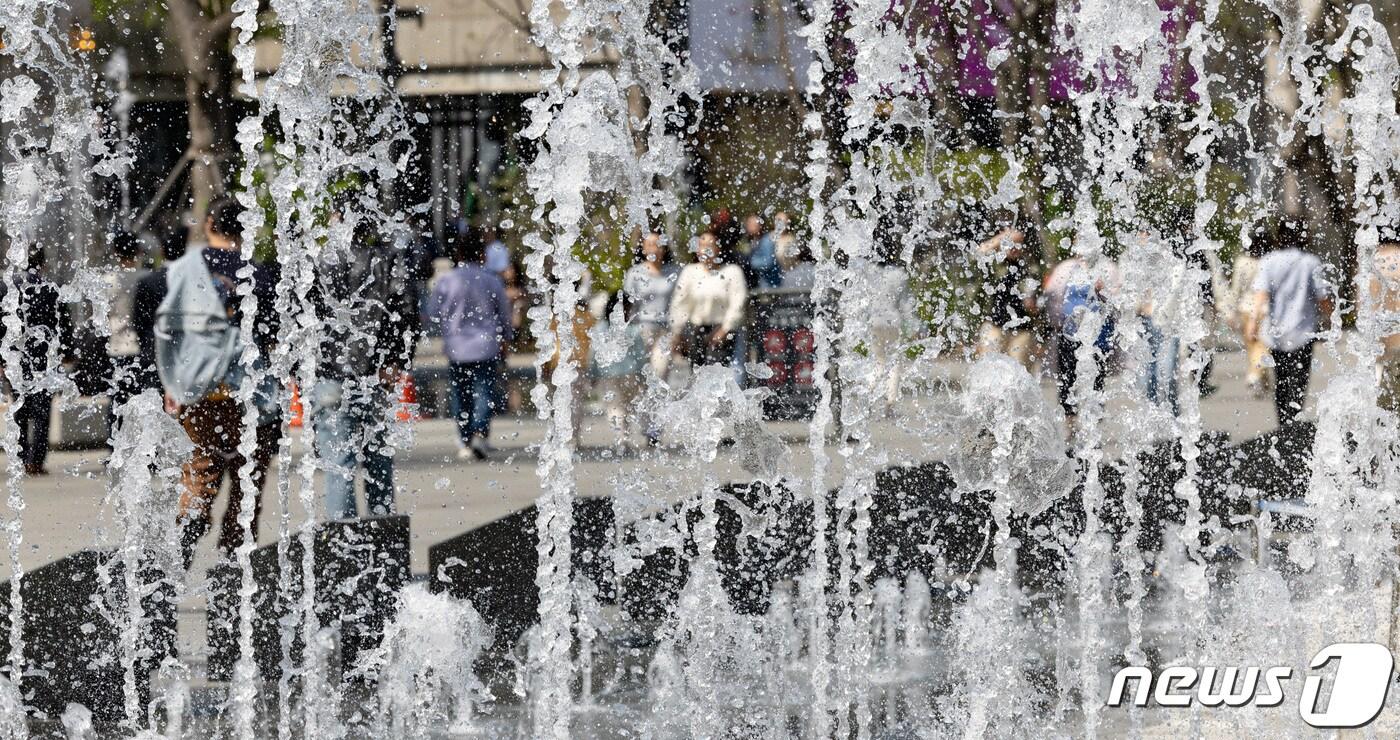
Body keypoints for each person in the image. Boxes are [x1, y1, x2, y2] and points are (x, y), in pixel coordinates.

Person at [155, 198, 282, 568]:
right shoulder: (262, 275)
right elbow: (275, 337)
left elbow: (169, 332)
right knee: (248, 479)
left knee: (199, 467)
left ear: (210, 223)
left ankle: (189, 525)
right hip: (251, 395)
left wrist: (171, 383)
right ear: (245, 228)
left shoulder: (182, 270)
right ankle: (233, 568)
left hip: (199, 391)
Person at [309, 214, 421, 520]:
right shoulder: (386, 263)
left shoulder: (319, 264)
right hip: (377, 376)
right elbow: (407, 312)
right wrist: (397, 361)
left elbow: (301, 320)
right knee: (380, 466)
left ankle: (343, 551)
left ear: (337, 221)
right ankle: (386, 543)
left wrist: (301, 369)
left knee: (338, 467)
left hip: (329, 376)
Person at [427, 235, 513, 460]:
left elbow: (433, 312)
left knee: (460, 394)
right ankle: (479, 433)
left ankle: (465, 438)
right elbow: (503, 312)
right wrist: (506, 337)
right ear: (482, 255)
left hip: (457, 346)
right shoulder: (491, 280)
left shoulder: (447, 280)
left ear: (458, 255)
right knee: (484, 390)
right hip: (486, 344)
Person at [1245, 221, 1333, 426]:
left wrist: (1252, 323)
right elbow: (1323, 297)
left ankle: (1283, 424)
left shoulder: (1269, 261)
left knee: (1281, 381)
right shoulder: (1311, 262)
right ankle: (1294, 421)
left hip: (1276, 334)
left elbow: (1260, 296)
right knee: (1299, 382)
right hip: (1303, 333)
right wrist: (1331, 318)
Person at [0, 248, 72, 476]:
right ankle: (36, 462)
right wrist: (67, 351)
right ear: (44, 263)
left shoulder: (8, 288)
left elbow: (2, 324)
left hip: (16, 356)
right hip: (45, 356)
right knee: (42, 409)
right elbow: (64, 324)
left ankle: (21, 458)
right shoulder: (52, 288)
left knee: (20, 406)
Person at [619, 233, 680, 445]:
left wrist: (679, 334)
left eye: (658, 244)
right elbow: (627, 306)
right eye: (649, 244)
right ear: (643, 249)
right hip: (640, 331)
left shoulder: (674, 272)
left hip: (665, 331)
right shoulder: (634, 274)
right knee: (640, 381)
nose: (654, 248)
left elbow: (679, 303)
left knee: (659, 375)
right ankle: (642, 425)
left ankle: (654, 430)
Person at [669, 231, 748, 369]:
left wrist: (725, 329)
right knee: (696, 373)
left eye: (710, 245)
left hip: (722, 329)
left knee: (719, 372)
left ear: (718, 248)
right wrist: (677, 332)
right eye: (701, 245)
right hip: (696, 330)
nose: (706, 249)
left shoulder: (732, 271)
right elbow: (680, 303)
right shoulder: (690, 272)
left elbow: (738, 303)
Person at [132, 222, 187, 396]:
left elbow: (138, 320)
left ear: (162, 251)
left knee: (153, 399)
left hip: (153, 347)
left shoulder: (148, 281)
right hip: (185, 349)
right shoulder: (191, 280)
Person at [975, 227, 1037, 370]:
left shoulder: (1030, 267)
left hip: (1022, 330)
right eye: (1010, 243)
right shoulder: (994, 263)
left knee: (1019, 370)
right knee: (988, 367)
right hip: (994, 325)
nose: (1014, 248)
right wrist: (1001, 237)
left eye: (1018, 244)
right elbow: (979, 252)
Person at [104, 231, 148, 421]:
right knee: (142, 398)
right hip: (143, 346)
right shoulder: (147, 278)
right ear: (138, 251)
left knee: (116, 399)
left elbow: (101, 314)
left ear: (115, 252)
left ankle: (114, 443)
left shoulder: (108, 280)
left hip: (117, 345)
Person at [1226, 227, 1269, 396]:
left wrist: (1230, 311)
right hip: (1265, 309)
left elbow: (1236, 289)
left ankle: (1257, 377)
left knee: (1252, 345)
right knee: (1263, 345)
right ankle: (1257, 376)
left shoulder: (1241, 262)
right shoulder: (1268, 261)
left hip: (1246, 307)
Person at [1369, 236, 1400, 413]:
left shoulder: (1374, 258)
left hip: (1379, 348)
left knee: (1383, 412)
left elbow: (1362, 305)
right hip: (1398, 345)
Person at [750, 213, 786, 290]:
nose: (750, 226)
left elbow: (768, 262)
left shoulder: (766, 240)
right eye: (749, 223)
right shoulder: (754, 240)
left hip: (770, 283)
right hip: (763, 281)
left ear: (760, 225)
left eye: (753, 224)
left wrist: (751, 262)